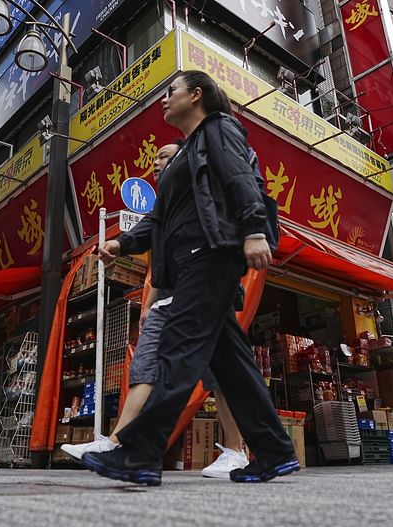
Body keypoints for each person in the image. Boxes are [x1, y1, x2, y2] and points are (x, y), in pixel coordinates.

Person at [80, 71, 297, 486]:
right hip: (189, 264)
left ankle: (141, 452)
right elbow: (160, 220)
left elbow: (241, 178)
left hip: (210, 255)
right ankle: (274, 451)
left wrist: (254, 229)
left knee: (178, 347)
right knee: (232, 365)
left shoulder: (218, 129)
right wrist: (121, 244)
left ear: (196, 95)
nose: (164, 100)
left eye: (171, 92)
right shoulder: (184, 154)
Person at [62, 141, 249, 478]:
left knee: (220, 378)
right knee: (144, 369)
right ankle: (116, 441)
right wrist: (120, 246)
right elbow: (151, 239)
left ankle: (237, 452)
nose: (157, 163)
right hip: (166, 304)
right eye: (155, 159)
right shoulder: (165, 207)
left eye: (166, 156)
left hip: (206, 300)